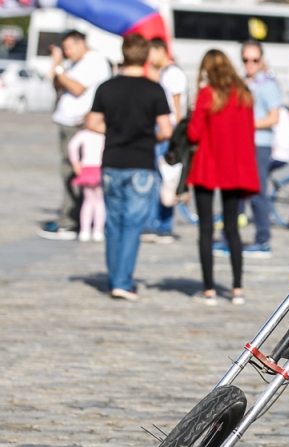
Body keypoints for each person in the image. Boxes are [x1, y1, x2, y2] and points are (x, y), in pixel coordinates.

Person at [86, 34, 172, 301]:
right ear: (147, 57)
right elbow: (166, 130)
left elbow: (92, 122)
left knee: (113, 223)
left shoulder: (107, 88)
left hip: (112, 160)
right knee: (133, 225)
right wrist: (149, 137)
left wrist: (113, 132)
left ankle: (115, 278)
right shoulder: (154, 90)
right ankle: (123, 281)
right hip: (140, 162)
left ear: (123, 55)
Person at [187, 49, 260, 307]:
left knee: (206, 228)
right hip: (235, 167)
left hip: (208, 164)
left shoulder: (208, 93)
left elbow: (194, 134)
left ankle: (209, 290)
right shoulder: (243, 94)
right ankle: (237, 288)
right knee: (233, 229)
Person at [40, 29, 111, 240]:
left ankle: (72, 221)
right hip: (66, 122)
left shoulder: (94, 61)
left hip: (78, 125)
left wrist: (60, 67)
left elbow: (77, 88)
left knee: (75, 173)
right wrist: (58, 67)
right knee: (67, 172)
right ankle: (70, 217)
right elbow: (58, 84)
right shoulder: (75, 63)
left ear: (80, 43)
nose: (67, 52)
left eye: (69, 47)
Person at [143, 37, 188, 244]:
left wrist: (174, 138)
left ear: (161, 51)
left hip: (168, 130)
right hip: (163, 127)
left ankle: (162, 224)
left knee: (165, 179)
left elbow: (177, 108)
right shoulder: (165, 74)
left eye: (151, 53)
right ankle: (155, 222)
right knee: (159, 178)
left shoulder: (173, 74)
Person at [239, 40, 281, 258]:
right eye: (246, 60)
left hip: (260, 144)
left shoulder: (267, 85)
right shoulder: (243, 83)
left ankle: (263, 240)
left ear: (261, 60)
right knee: (236, 192)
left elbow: (274, 117)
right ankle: (232, 237)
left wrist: (246, 123)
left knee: (256, 193)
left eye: (254, 60)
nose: (250, 64)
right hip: (241, 143)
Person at [67, 127, 105, 242]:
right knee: (100, 202)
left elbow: (72, 146)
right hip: (100, 167)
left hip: (87, 168)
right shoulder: (104, 133)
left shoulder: (84, 133)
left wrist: (75, 162)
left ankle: (85, 231)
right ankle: (98, 231)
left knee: (88, 201)